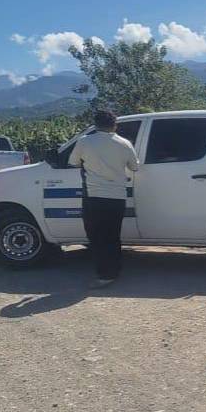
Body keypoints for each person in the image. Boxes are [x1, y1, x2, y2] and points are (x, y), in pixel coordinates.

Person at [68, 109, 140, 288]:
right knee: (112, 236)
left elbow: (73, 162)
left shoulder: (85, 141)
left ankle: (104, 274)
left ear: (95, 125)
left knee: (97, 237)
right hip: (117, 197)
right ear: (114, 125)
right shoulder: (124, 143)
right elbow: (135, 167)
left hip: (94, 197)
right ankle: (114, 271)